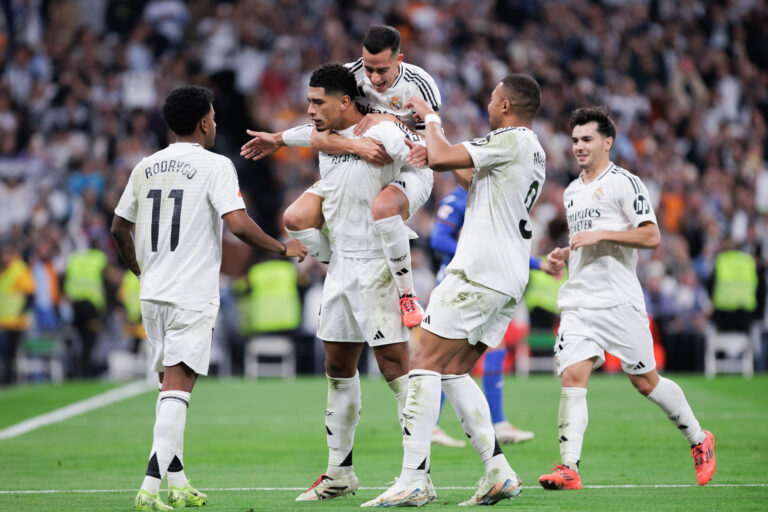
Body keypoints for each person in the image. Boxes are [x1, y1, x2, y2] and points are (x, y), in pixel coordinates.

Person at [111, 85, 306, 511]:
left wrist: (141, 271)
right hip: (191, 294)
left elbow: (118, 228)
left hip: (153, 293)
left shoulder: (145, 167)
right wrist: (282, 247)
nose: (216, 123)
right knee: (178, 388)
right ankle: (149, 488)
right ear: (203, 123)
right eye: (214, 117)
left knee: (170, 388)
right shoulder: (217, 166)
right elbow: (237, 225)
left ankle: (178, 482)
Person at [363, 74, 546, 507]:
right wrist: (435, 157)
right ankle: (499, 472)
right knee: (452, 371)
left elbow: (445, 153)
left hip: (477, 273)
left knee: (422, 362)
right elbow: (469, 178)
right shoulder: (531, 150)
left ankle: (412, 479)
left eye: (492, 97)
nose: (488, 102)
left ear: (505, 106)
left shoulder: (513, 138)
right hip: (507, 276)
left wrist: (431, 120)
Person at [537, 106, 715, 491]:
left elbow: (651, 237)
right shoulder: (571, 191)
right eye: (575, 140)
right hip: (580, 301)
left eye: (587, 139)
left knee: (646, 382)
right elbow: (585, 242)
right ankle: (569, 467)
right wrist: (564, 255)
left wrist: (602, 234)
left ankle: (699, 439)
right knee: (573, 375)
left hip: (619, 301)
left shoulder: (625, 183)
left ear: (608, 142)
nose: (579, 147)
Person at [285, 63, 431, 503]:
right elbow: (306, 137)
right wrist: (276, 138)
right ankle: (339, 473)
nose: (310, 110)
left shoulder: (381, 131)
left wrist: (421, 147)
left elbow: (416, 159)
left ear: (344, 101)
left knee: (393, 369)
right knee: (337, 369)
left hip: (377, 265)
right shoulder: (328, 142)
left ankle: (418, 477)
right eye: (308, 102)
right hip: (343, 267)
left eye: (318, 102)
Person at [240, 25, 440, 328]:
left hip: (408, 165)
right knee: (295, 218)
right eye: (369, 68)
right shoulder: (350, 76)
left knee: (384, 208)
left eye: (382, 70)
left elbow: (432, 151)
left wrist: (388, 119)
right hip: (358, 161)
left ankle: (407, 294)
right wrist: (352, 145)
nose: (373, 78)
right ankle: (340, 266)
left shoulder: (421, 85)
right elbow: (320, 134)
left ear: (400, 59)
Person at [429, 185, 551, 446]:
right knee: (444, 358)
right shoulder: (457, 198)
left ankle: (498, 423)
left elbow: (499, 251)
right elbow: (438, 238)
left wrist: (539, 264)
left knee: (495, 349)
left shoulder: (487, 201)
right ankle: (431, 425)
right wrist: (472, 257)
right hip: (456, 286)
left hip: (481, 286)